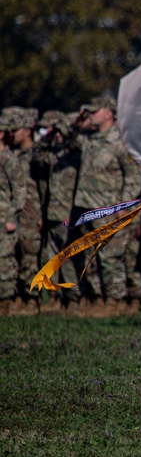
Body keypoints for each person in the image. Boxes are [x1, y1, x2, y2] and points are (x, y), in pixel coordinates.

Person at [69, 96, 141, 316]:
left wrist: (125, 204)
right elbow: (68, 139)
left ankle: (115, 300)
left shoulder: (120, 142)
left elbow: (133, 175)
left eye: (95, 111)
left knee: (110, 257)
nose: (90, 114)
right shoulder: (89, 140)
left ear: (109, 113)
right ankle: (98, 298)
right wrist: (75, 123)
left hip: (109, 208)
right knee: (89, 256)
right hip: (86, 207)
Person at [33, 111, 78, 312]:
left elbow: (76, 143)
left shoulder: (75, 157)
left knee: (68, 259)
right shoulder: (54, 156)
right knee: (52, 257)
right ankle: (54, 297)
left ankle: (73, 298)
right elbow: (36, 155)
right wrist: (47, 136)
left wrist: (66, 130)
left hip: (69, 213)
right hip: (52, 212)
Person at [3, 107, 41, 314]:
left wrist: (41, 214)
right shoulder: (12, 155)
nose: (11, 134)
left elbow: (46, 188)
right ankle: (17, 296)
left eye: (15, 130)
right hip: (13, 214)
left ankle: (31, 298)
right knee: (13, 257)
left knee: (29, 257)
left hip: (30, 213)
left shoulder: (36, 156)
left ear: (27, 130)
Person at [0, 114, 25, 315]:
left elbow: (19, 191)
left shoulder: (10, 159)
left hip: (4, 217)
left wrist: (11, 217)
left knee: (5, 259)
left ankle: (6, 301)